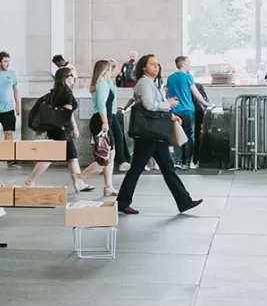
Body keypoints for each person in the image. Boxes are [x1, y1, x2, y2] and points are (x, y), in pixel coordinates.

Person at [115, 54, 205, 215]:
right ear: (144, 67)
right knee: (138, 169)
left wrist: (171, 115)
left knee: (166, 168)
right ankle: (123, 202)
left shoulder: (152, 83)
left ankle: (184, 201)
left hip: (155, 133)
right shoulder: (144, 83)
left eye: (157, 64)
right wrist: (168, 104)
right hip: (148, 134)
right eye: (152, 64)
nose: (156, 67)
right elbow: (149, 105)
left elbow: (156, 106)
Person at [25, 67, 103, 191]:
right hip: (62, 131)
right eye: (71, 76)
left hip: (57, 129)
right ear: (65, 79)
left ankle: (79, 183)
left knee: (72, 156)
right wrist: (74, 128)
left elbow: (60, 114)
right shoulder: (67, 94)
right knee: (54, 156)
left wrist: (45, 128)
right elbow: (66, 115)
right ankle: (31, 179)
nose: (74, 78)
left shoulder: (54, 93)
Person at [166, 56, 210, 170]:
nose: (190, 65)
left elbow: (166, 93)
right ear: (183, 64)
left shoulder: (170, 78)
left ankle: (178, 161)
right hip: (187, 110)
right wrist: (206, 104)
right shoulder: (188, 77)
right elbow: (196, 93)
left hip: (175, 110)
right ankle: (188, 161)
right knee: (190, 136)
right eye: (188, 63)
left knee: (177, 134)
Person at [86, 60, 120, 195]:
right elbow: (102, 105)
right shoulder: (102, 84)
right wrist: (105, 122)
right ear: (105, 71)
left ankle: (108, 186)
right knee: (106, 155)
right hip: (101, 121)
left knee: (109, 153)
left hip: (102, 120)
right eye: (109, 69)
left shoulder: (103, 83)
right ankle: (80, 177)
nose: (111, 72)